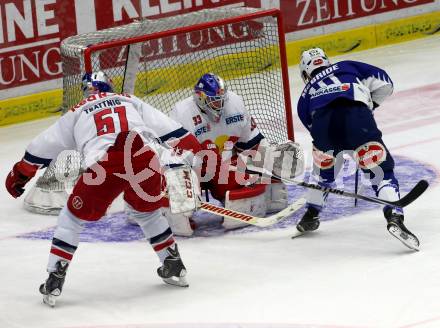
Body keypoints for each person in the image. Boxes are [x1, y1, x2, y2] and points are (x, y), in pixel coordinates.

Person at [5, 71, 202, 306]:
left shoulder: (77, 110)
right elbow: (175, 132)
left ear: (87, 90)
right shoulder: (128, 99)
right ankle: (173, 264)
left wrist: (20, 174)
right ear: (108, 86)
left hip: (106, 164)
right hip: (144, 157)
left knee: (71, 217)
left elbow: (42, 147)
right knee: (147, 212)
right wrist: (195, 154)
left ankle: (55, 277)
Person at [295, 47, 419, 250]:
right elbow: (386, 84)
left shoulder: (304, 95)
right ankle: (394, 217)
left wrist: (334, 150)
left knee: (323, 173)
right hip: (357, 118)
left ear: (305, 72)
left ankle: (311, 214)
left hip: (323, 128)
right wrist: (366, 105)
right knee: (380, 172)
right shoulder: (347, 66)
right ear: (326, 61)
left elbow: (312, 127)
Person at [162, 73, 303, 236]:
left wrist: (269, 160)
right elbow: (172, 158)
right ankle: (181, 208)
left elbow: (252, 142)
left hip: (223, 168)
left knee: (256, 159)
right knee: (207, 152)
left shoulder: (235, 103)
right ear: (200, 98)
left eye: (221, 99)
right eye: (214, 100)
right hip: (194, 168)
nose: (219, 104)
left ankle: (260, 195)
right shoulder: (182, 113)